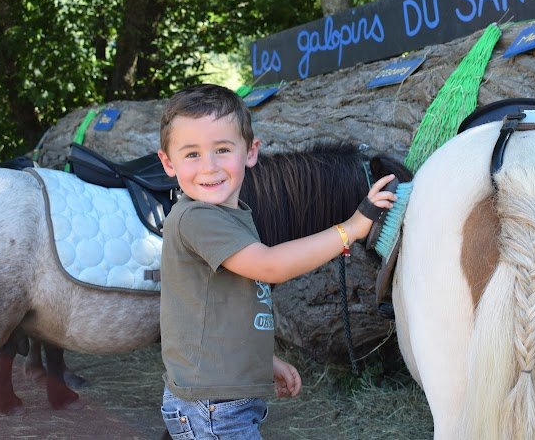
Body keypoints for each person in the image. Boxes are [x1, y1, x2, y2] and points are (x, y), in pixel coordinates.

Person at [156, 84, 396, 439]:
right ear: (167, 162)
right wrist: (350, 228)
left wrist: (261, 362)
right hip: (212, 407)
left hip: (223, 399)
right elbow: (270, 266)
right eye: (191, 154)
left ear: (251, 152)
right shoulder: (196, 219)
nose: (209, 166)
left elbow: (220, 315)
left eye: (223, 149)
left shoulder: (233, 216)